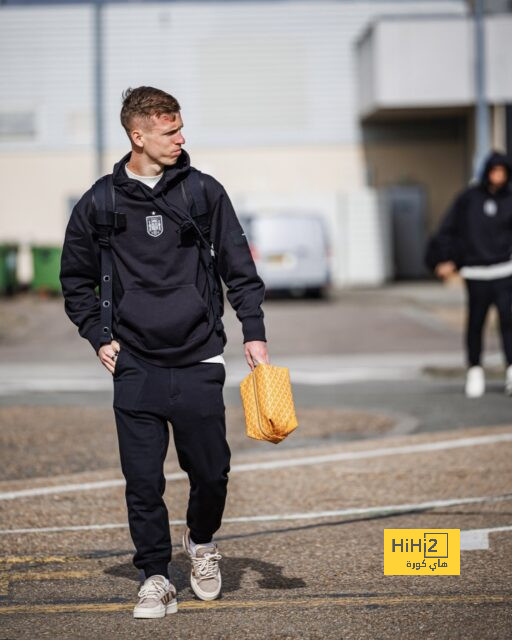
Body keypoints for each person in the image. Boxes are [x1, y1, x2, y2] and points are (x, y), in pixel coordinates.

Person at [60, 86, 269, 618]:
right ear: (139, 135)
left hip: (199, 357)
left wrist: (253, 330)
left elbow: (239, 270)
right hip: (135, 363)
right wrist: (97, 335)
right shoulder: (101, 202)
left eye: (180, 128)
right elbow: (75, 279)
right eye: (169, 131)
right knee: (143, 480)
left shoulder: (203, 192)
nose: (181, 138)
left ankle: (200, 541)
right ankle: (154, 575)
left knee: (212, 471)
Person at [426, 150, 512, 398]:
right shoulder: (469, 199)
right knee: (476, 323)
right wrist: (442, 259)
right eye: (495, 171)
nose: (498, 176)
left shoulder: (510, 198)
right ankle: (475, 371)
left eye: (503, 172)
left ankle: (510, 371)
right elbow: (448, 230)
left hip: (505, 271)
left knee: (508, 322)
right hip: (476, 273)